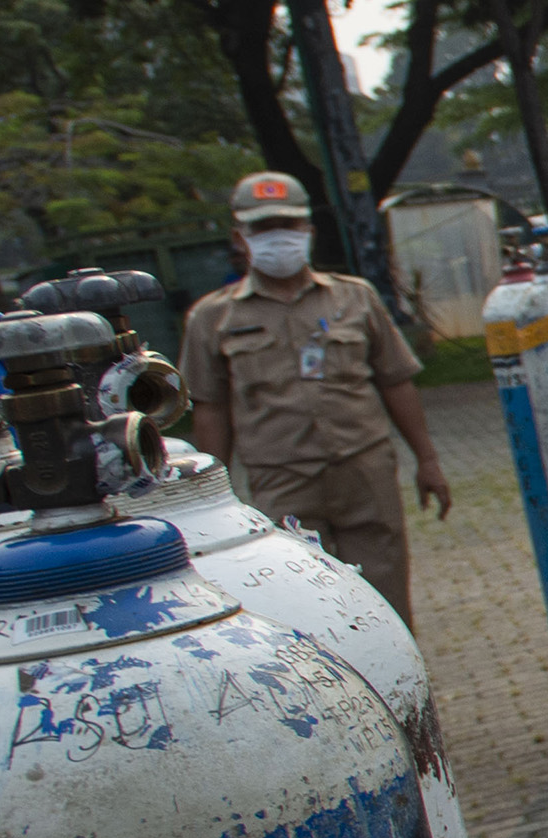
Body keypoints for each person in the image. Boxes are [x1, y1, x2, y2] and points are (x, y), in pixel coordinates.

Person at [181, 172, 454, 624]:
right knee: (308, 609)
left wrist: (427, 459)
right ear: (240, 236)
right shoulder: (212, 318)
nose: (278, 237)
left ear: (308, 229)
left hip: (364, 471)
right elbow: (210, 409)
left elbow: (396, 381)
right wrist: (213, 501)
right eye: (264, 227)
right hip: (281, 480)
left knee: (386, 600)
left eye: (288, 225)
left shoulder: (355, 299)